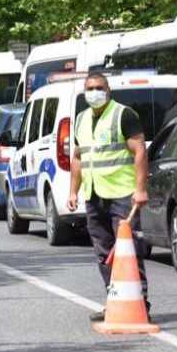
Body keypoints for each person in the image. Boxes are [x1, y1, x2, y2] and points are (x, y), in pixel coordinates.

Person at [67, 72, 149, 322]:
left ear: (108, 90)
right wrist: (73, 190)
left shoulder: (123, 114)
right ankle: (115, 299)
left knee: (128, 250)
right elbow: (79, 158)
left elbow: (139, 151)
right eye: (90, 88)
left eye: (99, 87)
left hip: (121, 194)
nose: (94, 92)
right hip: (94, 194)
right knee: (103, 251)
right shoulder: (80, 119)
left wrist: (140, 188)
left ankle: (140, 302)